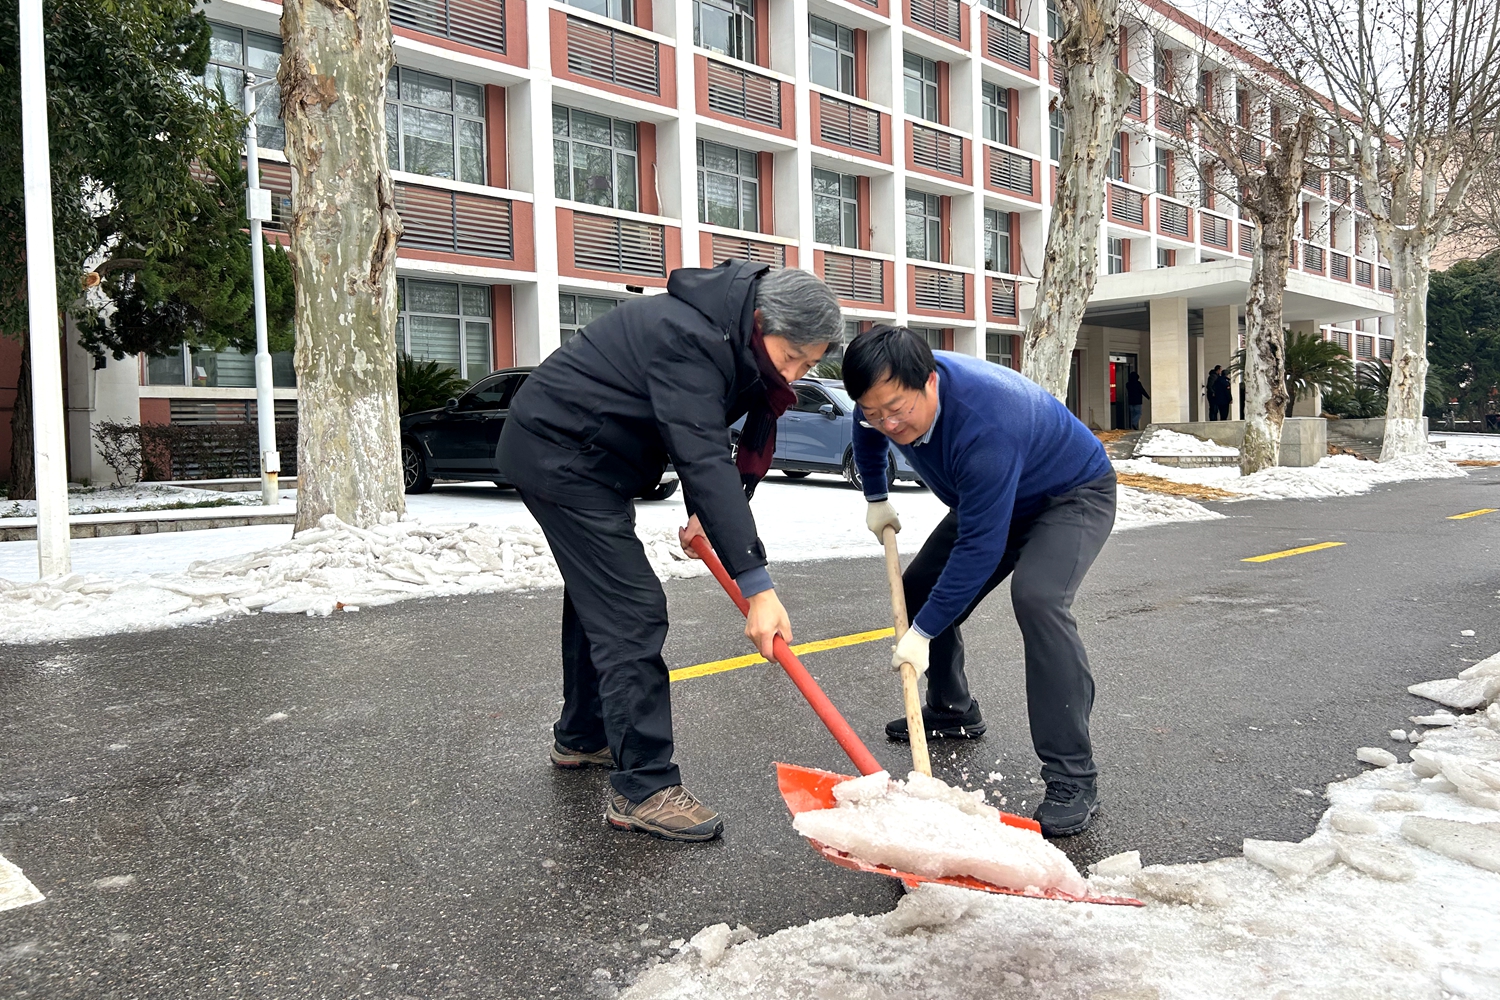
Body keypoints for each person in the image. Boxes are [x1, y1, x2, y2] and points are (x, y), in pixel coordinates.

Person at [497, 263, 843, 842]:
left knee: (601, 599)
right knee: (632, 609)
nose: (795, 373)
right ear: (762, 323)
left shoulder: (737, 337)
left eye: (809, 365)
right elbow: (703, 457)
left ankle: (584, 737)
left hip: (594, 459)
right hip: (561, 455)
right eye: (793, 357)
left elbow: (744, 434)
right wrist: (756, 584)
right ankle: (647, 788)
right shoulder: (690, 337)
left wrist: (715, 512)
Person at [843, 327, 1117, 837]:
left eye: (898, 409)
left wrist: (922, 635)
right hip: (993, 499)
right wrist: (876, 495)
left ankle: (1073, 776)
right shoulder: (882, 400)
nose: (889, 423)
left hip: (1070, 495)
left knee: (1038, 598)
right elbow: (866, 427)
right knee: (919, 589)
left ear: (928, 382)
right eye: (875, 411)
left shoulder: (986, 421)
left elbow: (979, 549)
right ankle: (952, 709)